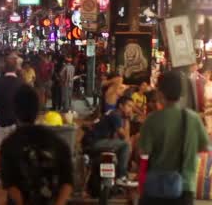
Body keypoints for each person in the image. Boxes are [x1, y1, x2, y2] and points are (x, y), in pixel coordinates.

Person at [139, 71, 210, 205]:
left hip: (156, 189)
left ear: (159, 93)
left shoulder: (152, 120)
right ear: (182, 93)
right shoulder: (193, 119)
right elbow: (205, 147)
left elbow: (143, 152)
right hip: (185, 187)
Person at [0, 85, 74, 205]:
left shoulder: (9, 144)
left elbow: (11, 186)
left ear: (15, 110)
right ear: (37, 110)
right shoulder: (57, 141)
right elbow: (67, 182)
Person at [87, 96, 137, 187]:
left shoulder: (112, 113)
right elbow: (124, 137)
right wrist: (127, 120)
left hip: (93, 142)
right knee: (125, 145)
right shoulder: (116, 115)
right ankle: (121, 177)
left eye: (132, 107)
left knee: (121, 145)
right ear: (121, 106)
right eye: (129, 106)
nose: (130, 109)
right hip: (96, 143)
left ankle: (114, 178)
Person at [0, 55, 23, 186]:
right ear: (16, 68)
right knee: (15, 148)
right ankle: (14, 173)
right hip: (16, 120)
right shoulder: (21, 83)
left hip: (0, 118)